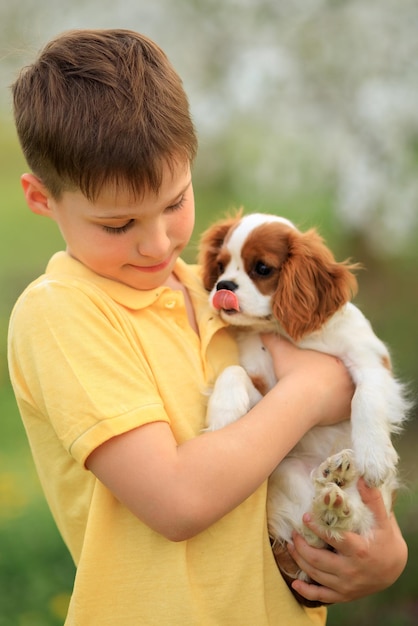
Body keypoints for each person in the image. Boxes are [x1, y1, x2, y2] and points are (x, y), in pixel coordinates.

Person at [8, 29, 407, 626]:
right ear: (41, 199)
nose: (158, 242)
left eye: (175, 203)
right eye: (118, 225)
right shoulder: (63, 311)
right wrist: (311, 391)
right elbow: (177, 501)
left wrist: (387, 556)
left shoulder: (224, 291)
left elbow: (356, 406)